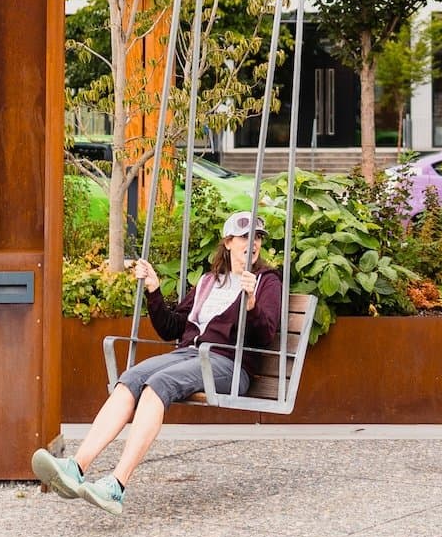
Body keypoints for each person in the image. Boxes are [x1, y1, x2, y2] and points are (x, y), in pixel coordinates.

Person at [31, 211, 283, 515]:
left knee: (158, 385)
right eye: (245, 236)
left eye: (257, 237)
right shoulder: (208, 282)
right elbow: (172, 328)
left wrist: (252, 304)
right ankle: (76, 466)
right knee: (131, 379)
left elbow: (266, 334)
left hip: (229, 363)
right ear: (228, 242)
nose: (252, 243)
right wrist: (153, 290)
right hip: (191, 355)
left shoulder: (267, 282)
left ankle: (116, 485)